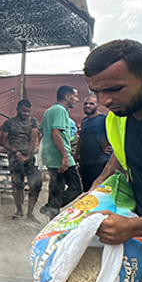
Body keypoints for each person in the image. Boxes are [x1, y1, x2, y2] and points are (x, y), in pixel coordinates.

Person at [82, 39, 142, 282]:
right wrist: (90, 196)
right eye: (97, 92)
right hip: (141, 250)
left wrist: (134, 227)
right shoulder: (119, 118)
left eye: (115, 89)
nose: (104, 101)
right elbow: (117, 161)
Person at [39, 85, 82, 217]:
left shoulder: (49, 111)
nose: (77, 99)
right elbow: (55, 133)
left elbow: (43, 131)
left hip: (50, 156)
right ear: (67, 97)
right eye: (75, 96)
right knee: (76, 188)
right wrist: (64, 156)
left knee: (56, 188)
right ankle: (51, 206)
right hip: (59, 156)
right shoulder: (61, 110)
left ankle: (52, 215)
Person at [0, 99, 42, 221]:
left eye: (28, 111)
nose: (26, 114)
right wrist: (15, 151)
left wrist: (27, 156)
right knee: (17, 185)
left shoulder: (33, 121)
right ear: (17, 109)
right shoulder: (9, 123)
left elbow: (33, 139)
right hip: (15, 158)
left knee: (35, 184)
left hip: (30, 158)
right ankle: (19, 211)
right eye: (24, 111)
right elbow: (3, 141)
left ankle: (30, 213)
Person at [75, 93, 111, 191]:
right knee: (87, 191)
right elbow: (81, 139)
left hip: (100, 162)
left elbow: (114, 135)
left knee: (99, 191)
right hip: (85, 163)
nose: (88, 106)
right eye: (86, 104)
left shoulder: (103, 120)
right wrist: (77, 155)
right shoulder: (84, 121)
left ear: (98, 105)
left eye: (91, 104)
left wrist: (110, 146)